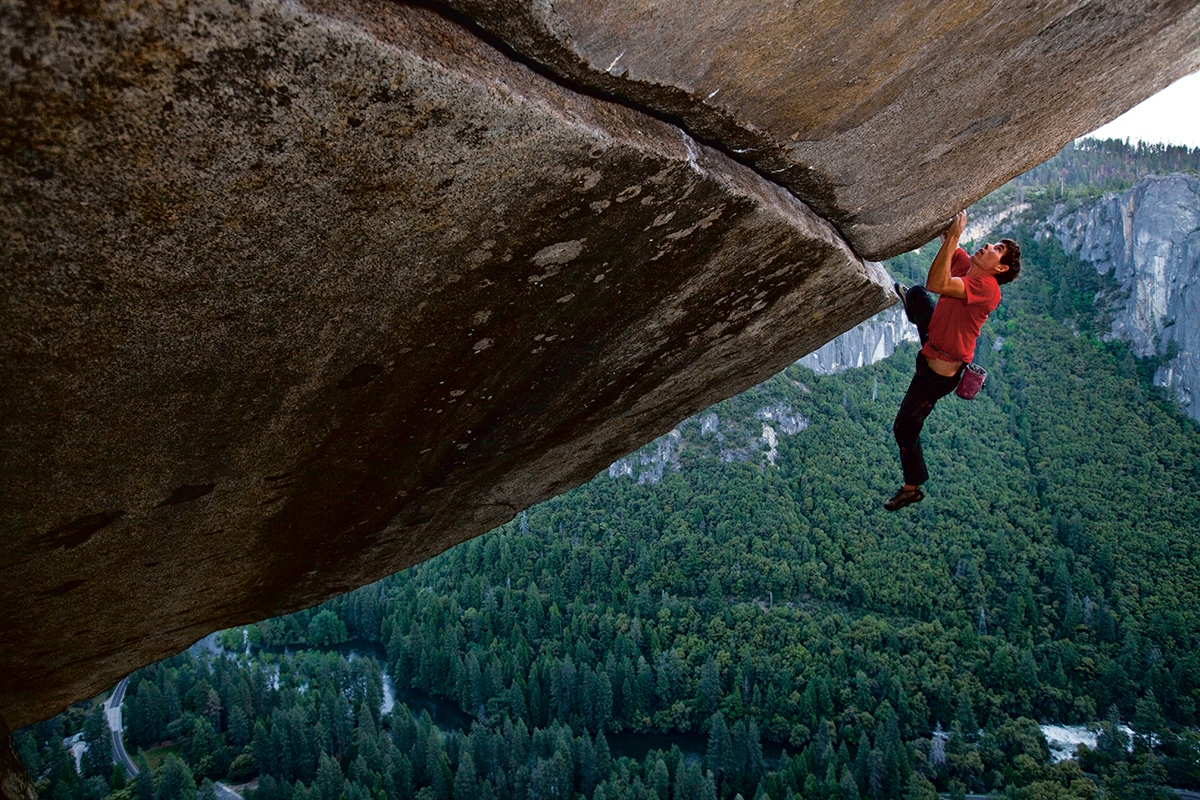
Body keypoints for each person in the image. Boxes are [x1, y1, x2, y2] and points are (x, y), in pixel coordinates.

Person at [884, 210, 1021, 511]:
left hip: (937, 375)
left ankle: (911, 487)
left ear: (1000, 268)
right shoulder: (968, 267)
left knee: (904, 428)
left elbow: (938, 282)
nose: (989, 246)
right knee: (918, 295)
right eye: (994, 242)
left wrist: (957, 236)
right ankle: (913, 308)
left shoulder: (988, 290)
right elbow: (946, 239)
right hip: (933, 343)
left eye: (998, 250)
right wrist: (950, 225)